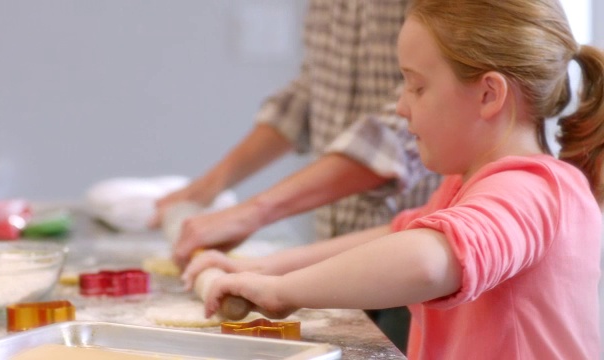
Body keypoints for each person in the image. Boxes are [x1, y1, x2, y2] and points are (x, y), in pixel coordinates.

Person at [182, 0, 604, 357]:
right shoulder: (465, 187)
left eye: (417, 88)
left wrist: (286, 292)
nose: (402, 107)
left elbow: (426, 261)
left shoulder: (533, 189)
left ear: (489, 95)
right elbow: (393, 235)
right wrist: (262, 269)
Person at [152, 0, 440, 352]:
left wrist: (259, 225)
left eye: (418, 89)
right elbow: (309, 93)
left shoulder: (492, 200)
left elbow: (398, 138)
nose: (405, 105)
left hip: (408, 292)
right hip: (333, 258)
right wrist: (203, 192)